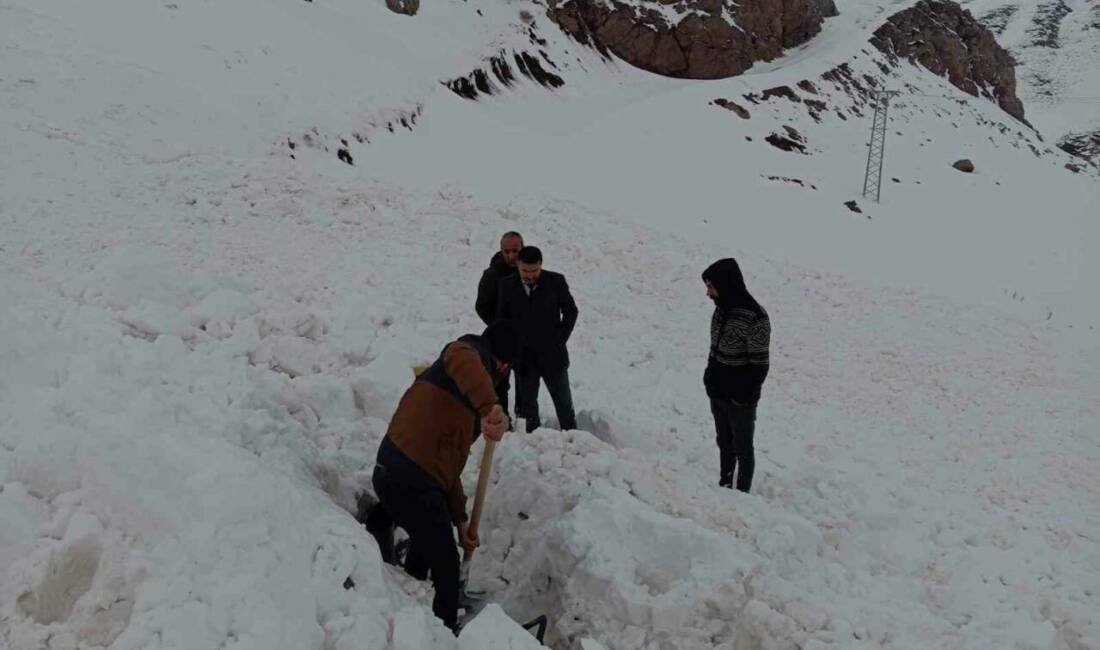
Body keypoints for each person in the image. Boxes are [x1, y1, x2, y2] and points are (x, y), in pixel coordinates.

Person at [365, 322, 516, 632]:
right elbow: (464, 357)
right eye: (502, 368)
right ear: (499, 363)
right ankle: (445, 631)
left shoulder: (459, 407)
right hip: (408, 478)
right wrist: (490, 408)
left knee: (435, 531)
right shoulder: (462, 355)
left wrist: (461, 521)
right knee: (446, 564)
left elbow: (448, 472)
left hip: (403, 476)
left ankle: (412, 586)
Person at [702, 258, 770, 492]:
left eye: (711, 287)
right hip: (718, 392)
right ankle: (724, 485)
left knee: (743, 448)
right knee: (724, 443)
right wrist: (710, 378)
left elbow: (759, 365)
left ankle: (742, 495)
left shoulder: (755, 317)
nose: (708, 293)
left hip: (740, 399)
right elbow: (714, 349)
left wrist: (744, 395)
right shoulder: (721, 311)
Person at [496, 246, 578, 433]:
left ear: (541, 265)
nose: (530, 275)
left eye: (535, 271)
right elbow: (502, 322)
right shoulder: (506, 285)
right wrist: (507, 352)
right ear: (518, 265)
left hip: (553, 357)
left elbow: (571, 312)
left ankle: (574, 442)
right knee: (528, 409)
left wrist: (559, 339)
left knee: (564, 406)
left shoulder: (556, 281)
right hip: (523, 360)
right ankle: (533, 444)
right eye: (525, 271)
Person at [475, 232, 524, 420]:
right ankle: (502, 419)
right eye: (507, 251)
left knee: (525, 379)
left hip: (525, 337)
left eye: (515, 251)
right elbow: (481, 306)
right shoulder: (492, 275)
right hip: (501, 339)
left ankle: (524, 417)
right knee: (500, 382)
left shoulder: (528, 269)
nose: (511, 256)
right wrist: (500, 328)